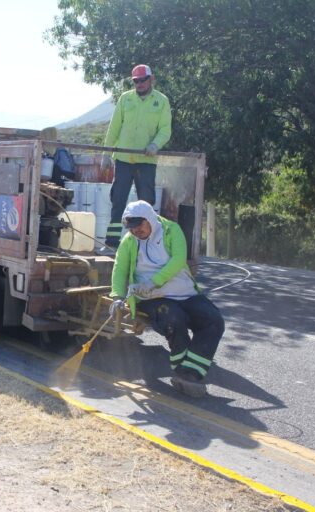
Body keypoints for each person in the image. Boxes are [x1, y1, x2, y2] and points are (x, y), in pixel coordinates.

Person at [108, 200, 224, 397]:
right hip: (151, 298)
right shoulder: (129, 242)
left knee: (214, 321)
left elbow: (179, 259)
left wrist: (155, 281)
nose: (136, 231)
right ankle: (182, 371)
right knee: (174, 319)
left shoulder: (172, 230)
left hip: (184, 292)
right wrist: (117, 296)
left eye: (139, 226)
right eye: (132, 228)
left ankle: (191, 373)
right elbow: (120, 269)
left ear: (150, 219)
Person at [100, 64, 172, 250]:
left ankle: (147, 244)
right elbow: (114, 127)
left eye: (143, 80)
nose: (139, 84)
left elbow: (165, 129)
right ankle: (111, 243)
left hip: (146, 161)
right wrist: (106, 154)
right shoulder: (125, 99)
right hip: (123, 159)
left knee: (146, 204)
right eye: (136, 81)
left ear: (151, 79)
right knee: (118, 201)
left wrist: (155, 145)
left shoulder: (161, 101)